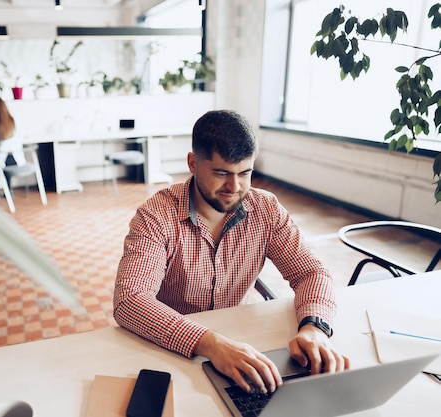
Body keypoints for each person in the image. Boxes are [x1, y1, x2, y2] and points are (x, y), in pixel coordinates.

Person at [113, 110, 349, 395]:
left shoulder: (266, 209)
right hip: (170, 350)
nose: (234, 187)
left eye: (245, 173)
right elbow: (130, 300)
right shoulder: (156, 216)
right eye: (221, 173)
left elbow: (311, 272)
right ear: (192, 163)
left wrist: (314, 327)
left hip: (243, 341)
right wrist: (211, 344)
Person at [0, 97, 28, 199]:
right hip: (16, 159)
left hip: (2, 162)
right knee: (5, 163)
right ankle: (8, 189)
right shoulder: (14, 121)